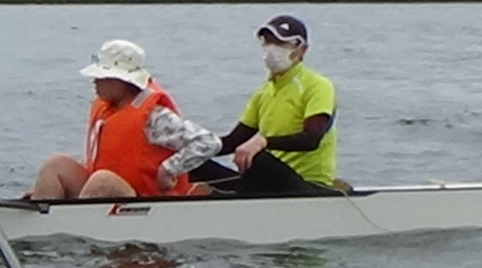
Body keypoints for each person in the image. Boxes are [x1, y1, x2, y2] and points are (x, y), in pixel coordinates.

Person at [30, 39, 220, 200]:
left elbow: (208, 142)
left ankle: (72, 223)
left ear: (123, 81)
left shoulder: (154, 117)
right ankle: (44, 213)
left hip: (146, 201)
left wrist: (169, 169)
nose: (95, 81)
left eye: (102, 77)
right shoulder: (107, 111)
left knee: (102, 181)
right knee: (55, 164)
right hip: (104, 194)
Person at [190, 14, 340, 196]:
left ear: (302, 50)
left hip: (307, 184)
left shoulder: (318, 86)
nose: (273, 49)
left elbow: (311, 139)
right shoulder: (263, 92)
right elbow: (233, 142)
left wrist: (263, 141)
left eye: (282, 43)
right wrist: (189, 148)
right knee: (189, 162)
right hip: (270, 183)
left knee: (257, 158)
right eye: (269, 42)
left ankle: (225, 198)